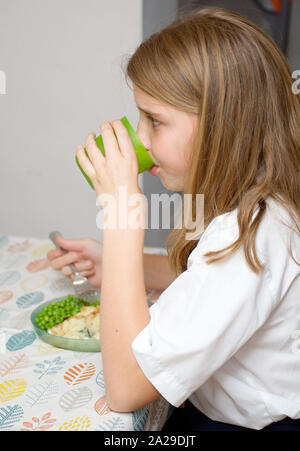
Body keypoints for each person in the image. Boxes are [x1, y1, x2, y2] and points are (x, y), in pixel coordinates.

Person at [47, 7, 300, 431]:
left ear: (223, 126)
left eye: (155, 121)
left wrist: (122, 214)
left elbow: (125, 388)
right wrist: (117, 265)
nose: (141, 139)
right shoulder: (252, 195)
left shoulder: (253, 233)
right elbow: (205, 275)